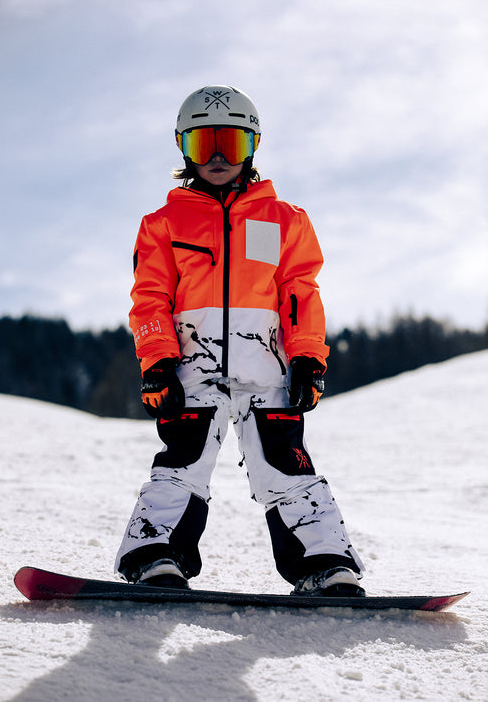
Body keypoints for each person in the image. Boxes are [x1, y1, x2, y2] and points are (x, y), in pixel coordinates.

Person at [115, 85, 365, 597]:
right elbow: (150, 297)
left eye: (230, 142)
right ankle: (154, 554)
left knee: (285, 464)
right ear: (183, 147)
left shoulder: (284, 220)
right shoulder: (164, 224)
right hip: (192, 367)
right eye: (202, 143)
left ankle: (323, 563)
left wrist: (308, 358)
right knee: (182, 461)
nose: (217, 157)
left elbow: (299, 293)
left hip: (267, 369)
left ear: (253, 146)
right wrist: (157, 363)